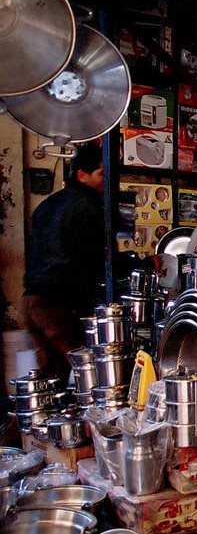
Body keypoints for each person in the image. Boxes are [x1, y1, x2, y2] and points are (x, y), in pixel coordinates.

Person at [22, 142, 106, 382]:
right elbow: (99, 257)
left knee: (52, 378)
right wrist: (140, 266)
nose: (106, 180)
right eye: (101, 174)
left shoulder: (47, 204)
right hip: (56, 304)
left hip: (31, 301)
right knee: (90, 372)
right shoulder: (88, 206)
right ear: (82, 175)